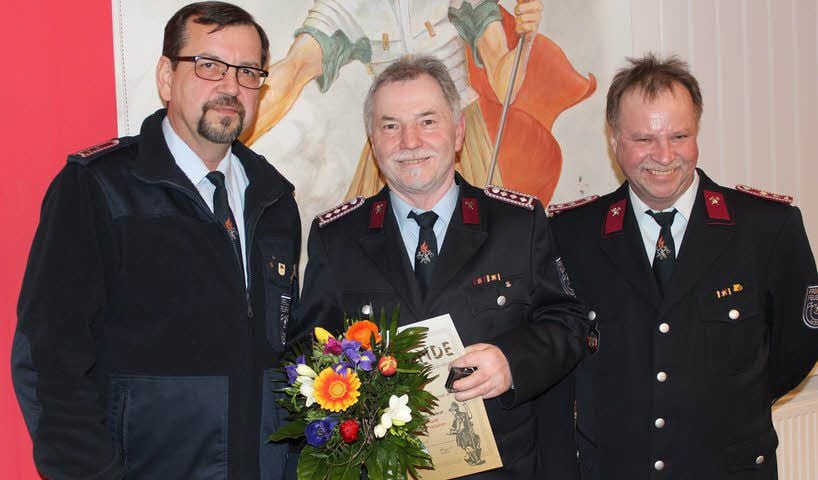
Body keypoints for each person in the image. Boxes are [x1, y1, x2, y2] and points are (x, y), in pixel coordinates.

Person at [11, 2, 300, 479]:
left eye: (248, 72)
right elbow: (48, 363)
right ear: (167, 76)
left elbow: (283, 355)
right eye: (209, 65)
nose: (231, 87)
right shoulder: (97, 189)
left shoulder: (275, 201)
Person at [295, 55, 592, 479]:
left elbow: (568, 323)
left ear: (459, 132)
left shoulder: (517, 224)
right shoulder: (336, 237)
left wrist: (512, 361)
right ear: (373, 142)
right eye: (391, 126)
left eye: (428, 121)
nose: (410, 141)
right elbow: (308, 351)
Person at [549, 53, 818, 479]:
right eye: (644, 139)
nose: (664, 155)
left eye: (679, 136)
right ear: (614, 140)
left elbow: (800, 344)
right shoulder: (570, 235)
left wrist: (730, 405)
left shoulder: (767, 228)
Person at [241, 0, 595, 204]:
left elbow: (505, 86)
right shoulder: (344, 5)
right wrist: (233, 132)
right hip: (390, 144)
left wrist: (526, 41)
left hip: (459, 146)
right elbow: (293, 70)